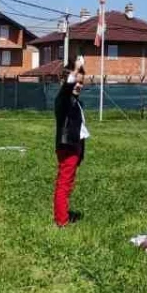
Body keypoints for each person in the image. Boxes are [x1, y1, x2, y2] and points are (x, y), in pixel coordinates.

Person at [53, 57, 91, 227]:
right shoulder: (63, 99)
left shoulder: (77, 102)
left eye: (81, 83)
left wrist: (81, 152)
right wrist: (75, 69)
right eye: (76, 81)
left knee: (68, 184)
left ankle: (62, 215)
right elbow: (67, 87)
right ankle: (62, 220)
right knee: (64, 184)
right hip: (67, 147)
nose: (78, 85)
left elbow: (80, 130)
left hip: (74, 148)